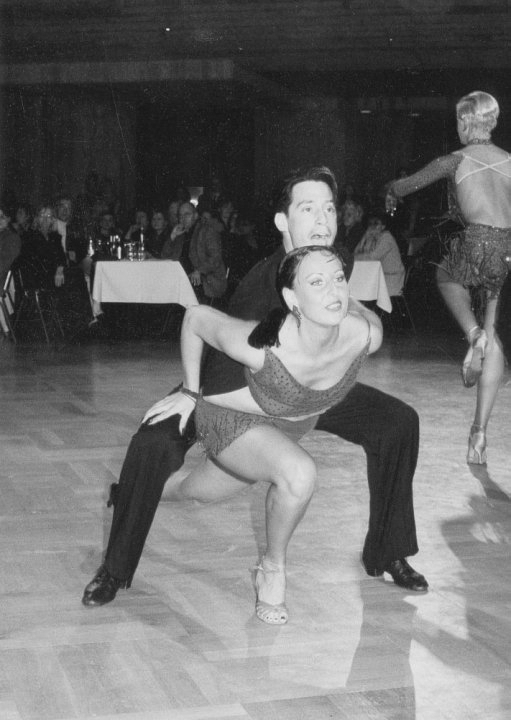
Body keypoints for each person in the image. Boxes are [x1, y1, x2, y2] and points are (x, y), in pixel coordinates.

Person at [82, 166, 428, 610]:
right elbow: (218, 358)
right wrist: (189, 396)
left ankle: (388, 551)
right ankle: (115, 566)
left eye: (329, 209)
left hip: (309, 391)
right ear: (283, 221)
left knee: (397, 422)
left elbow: (346, 324)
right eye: (309, 209)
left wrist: (348, 315)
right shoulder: (262, 287)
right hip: (235, 386)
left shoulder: (334, 256)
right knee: (154, 442)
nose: (323, 220)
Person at [386, 91, 511, 465]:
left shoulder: (453, 160)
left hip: (476, 242)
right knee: (496, 337)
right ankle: (479, 433)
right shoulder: (509, 161)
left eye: (458, 120)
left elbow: (405, 186)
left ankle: (473, 334)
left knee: (444, 275)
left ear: (465, 122)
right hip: (508, 250)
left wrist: (391, 192)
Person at [354, 210, 406, 298]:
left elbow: (372, 257)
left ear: (383, 226)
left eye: (376, 224)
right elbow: (357, 253)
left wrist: (355, 257)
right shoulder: (374, 238)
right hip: (380, 277)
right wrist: (364, 238)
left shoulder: (387, 238)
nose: (372, 227)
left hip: (392, 280)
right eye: (370, 224)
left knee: (360, 288)